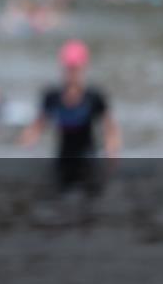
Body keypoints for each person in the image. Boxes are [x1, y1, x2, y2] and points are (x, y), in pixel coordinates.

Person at [19, 40, 121, 191]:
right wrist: (24, 145)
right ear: (62, 68)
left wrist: (111, 152)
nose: (72, 73)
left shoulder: (94, 97)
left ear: (83, 68)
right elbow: (37, 127)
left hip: (88, 158)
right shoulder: (52, 96)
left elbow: (110, 129)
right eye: (69, 68)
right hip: (62, 158)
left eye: (75, 69)